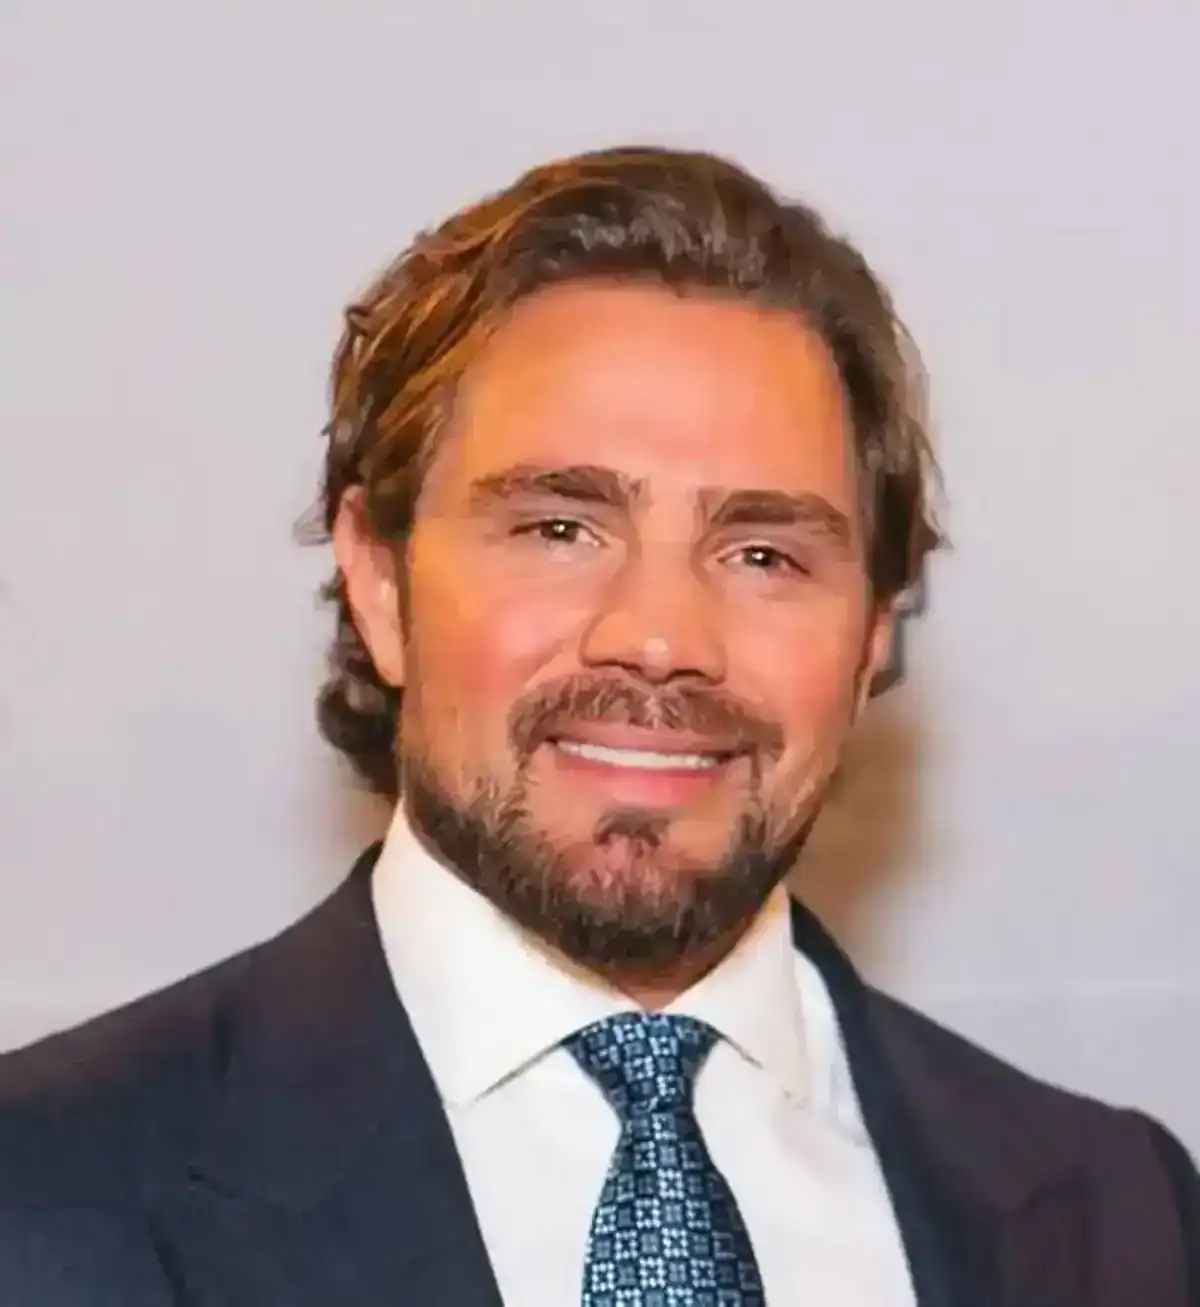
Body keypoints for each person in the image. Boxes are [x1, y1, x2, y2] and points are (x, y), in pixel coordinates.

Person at [0, 145, 1194, 1307]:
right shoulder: (41, 1192)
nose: (660, 635)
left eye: (764, 552)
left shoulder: (1118, 1215)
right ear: (379, 579)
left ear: (873, 631)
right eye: (560, 529)